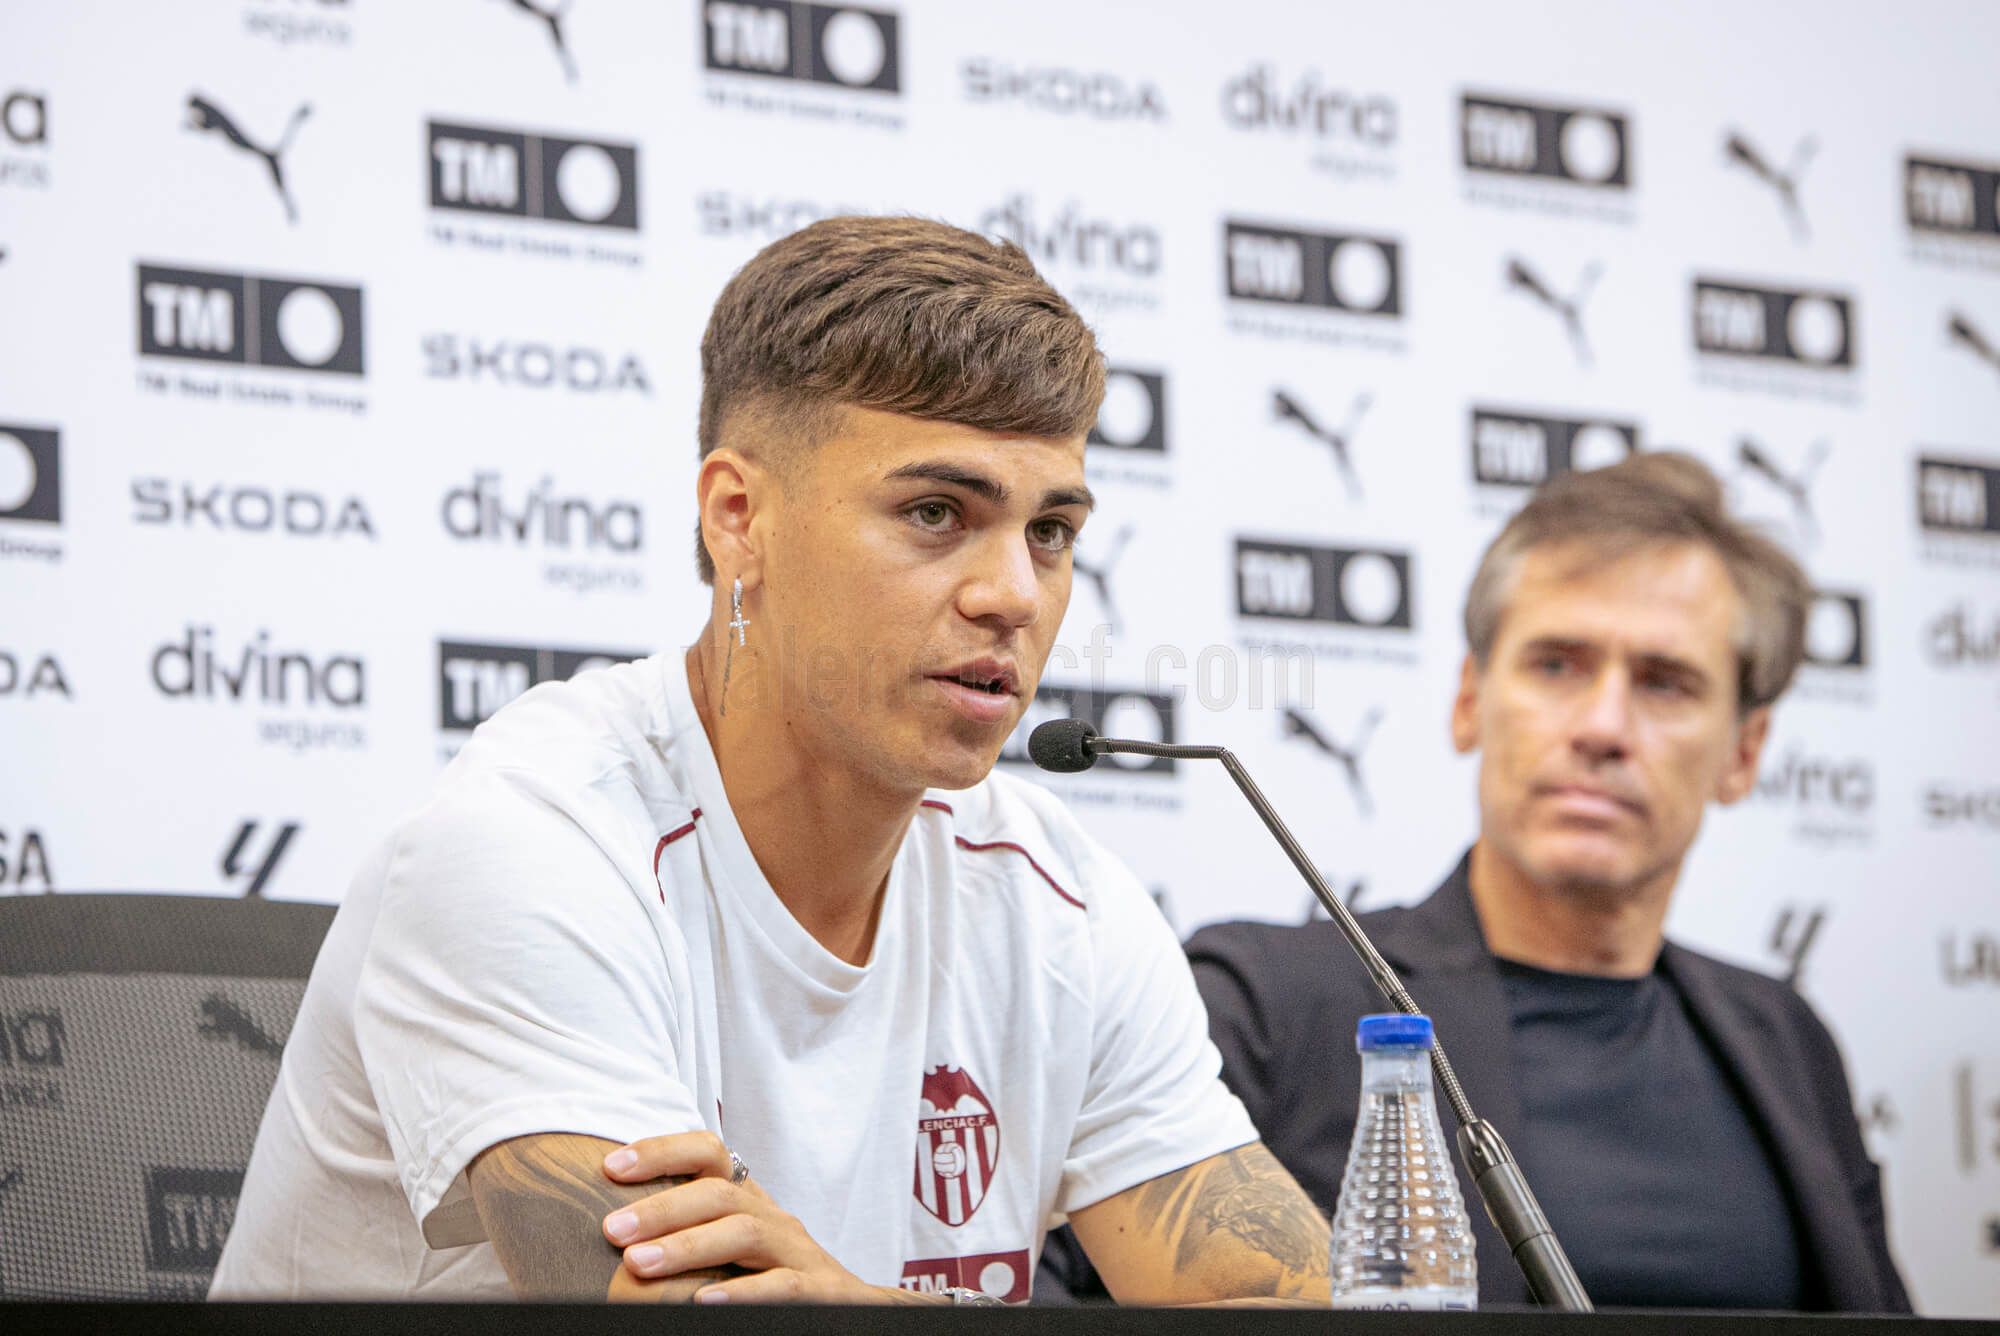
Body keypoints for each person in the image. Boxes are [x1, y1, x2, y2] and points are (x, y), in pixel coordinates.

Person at [209, 217, 1333, 1306]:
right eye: (936, 511)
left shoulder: (1057, 897)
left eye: (1050, 531)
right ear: (738, 518)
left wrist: (854, 1302)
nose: (1014, 595)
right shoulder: (530, 841)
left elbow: (1295, 1301)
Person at [1169, 453, 1910, 1310]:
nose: (1602, 726)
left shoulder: (1786, 1041)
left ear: (1744, 754)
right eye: (1557, 665)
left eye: (1666, 683)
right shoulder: (1268, 1005)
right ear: (1469, 702)